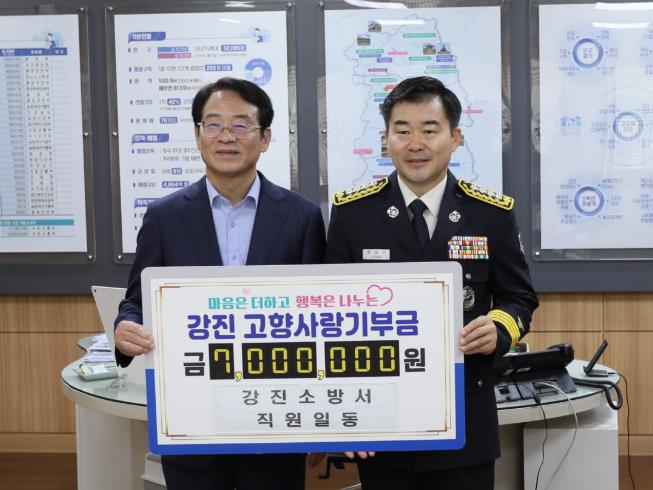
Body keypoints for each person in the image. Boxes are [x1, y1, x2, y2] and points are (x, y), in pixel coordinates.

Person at [325, 76, 538, 489]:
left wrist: (498, 329)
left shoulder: (490, 214)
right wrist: (346, 414)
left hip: (465, 417)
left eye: (429, 130)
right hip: (381, 419)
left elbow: (519, 298)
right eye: (402, 131)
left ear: (455, 138)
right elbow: (331, 316)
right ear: (386, 139)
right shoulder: (353, 214)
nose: (415, 144)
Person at [114, 77, 325, 490]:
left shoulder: (302, 217)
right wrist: (126, 327)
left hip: (276, 418)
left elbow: (320, 317)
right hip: (192, 416)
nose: (226, 136)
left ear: (265, 138)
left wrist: (319, 419)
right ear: (198, 136)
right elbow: (137, 300)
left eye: (241, 124)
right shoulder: (165, 216)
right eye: (213, 124)